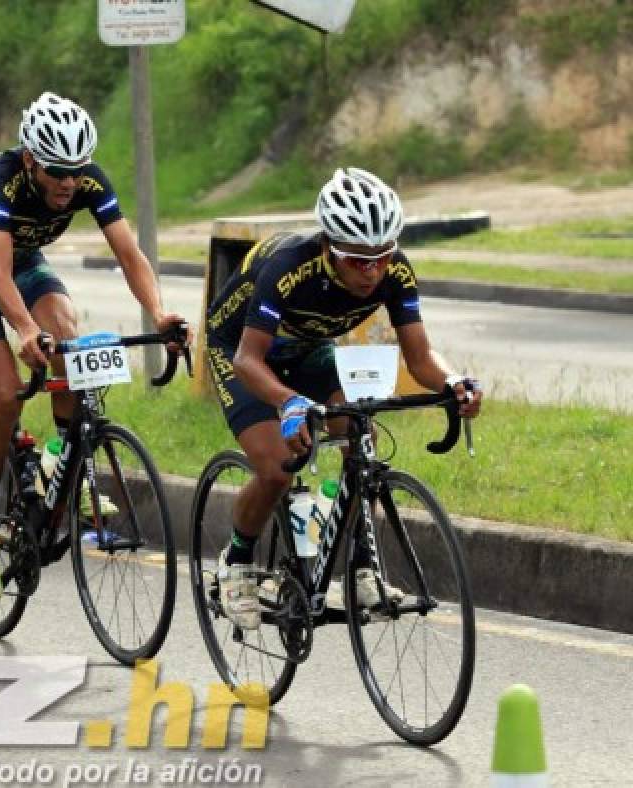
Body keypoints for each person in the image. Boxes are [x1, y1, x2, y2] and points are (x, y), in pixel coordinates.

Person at [0, 91, 191, 600]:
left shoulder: (87, 180)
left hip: (22, 261)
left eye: (77, 169)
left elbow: (131, 255)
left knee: (69, 337)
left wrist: (159, 313)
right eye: (56, 171)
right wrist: (25, 329)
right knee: (5, 393)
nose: (69, 182)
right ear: (30, 160)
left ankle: (60, 454)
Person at [204, 166, 483, 629]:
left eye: (381, 256)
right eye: (356, 259)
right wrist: (289, 402)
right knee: (275, 468)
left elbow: (419, 358)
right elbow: (248, 360)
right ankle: (236, 562)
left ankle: (359, 570)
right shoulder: (289, 266)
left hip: (311, 349)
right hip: (243, 351)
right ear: (329, 247)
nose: (372, 271)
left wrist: (454, 383)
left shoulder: (394, 271)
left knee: (360, 435)